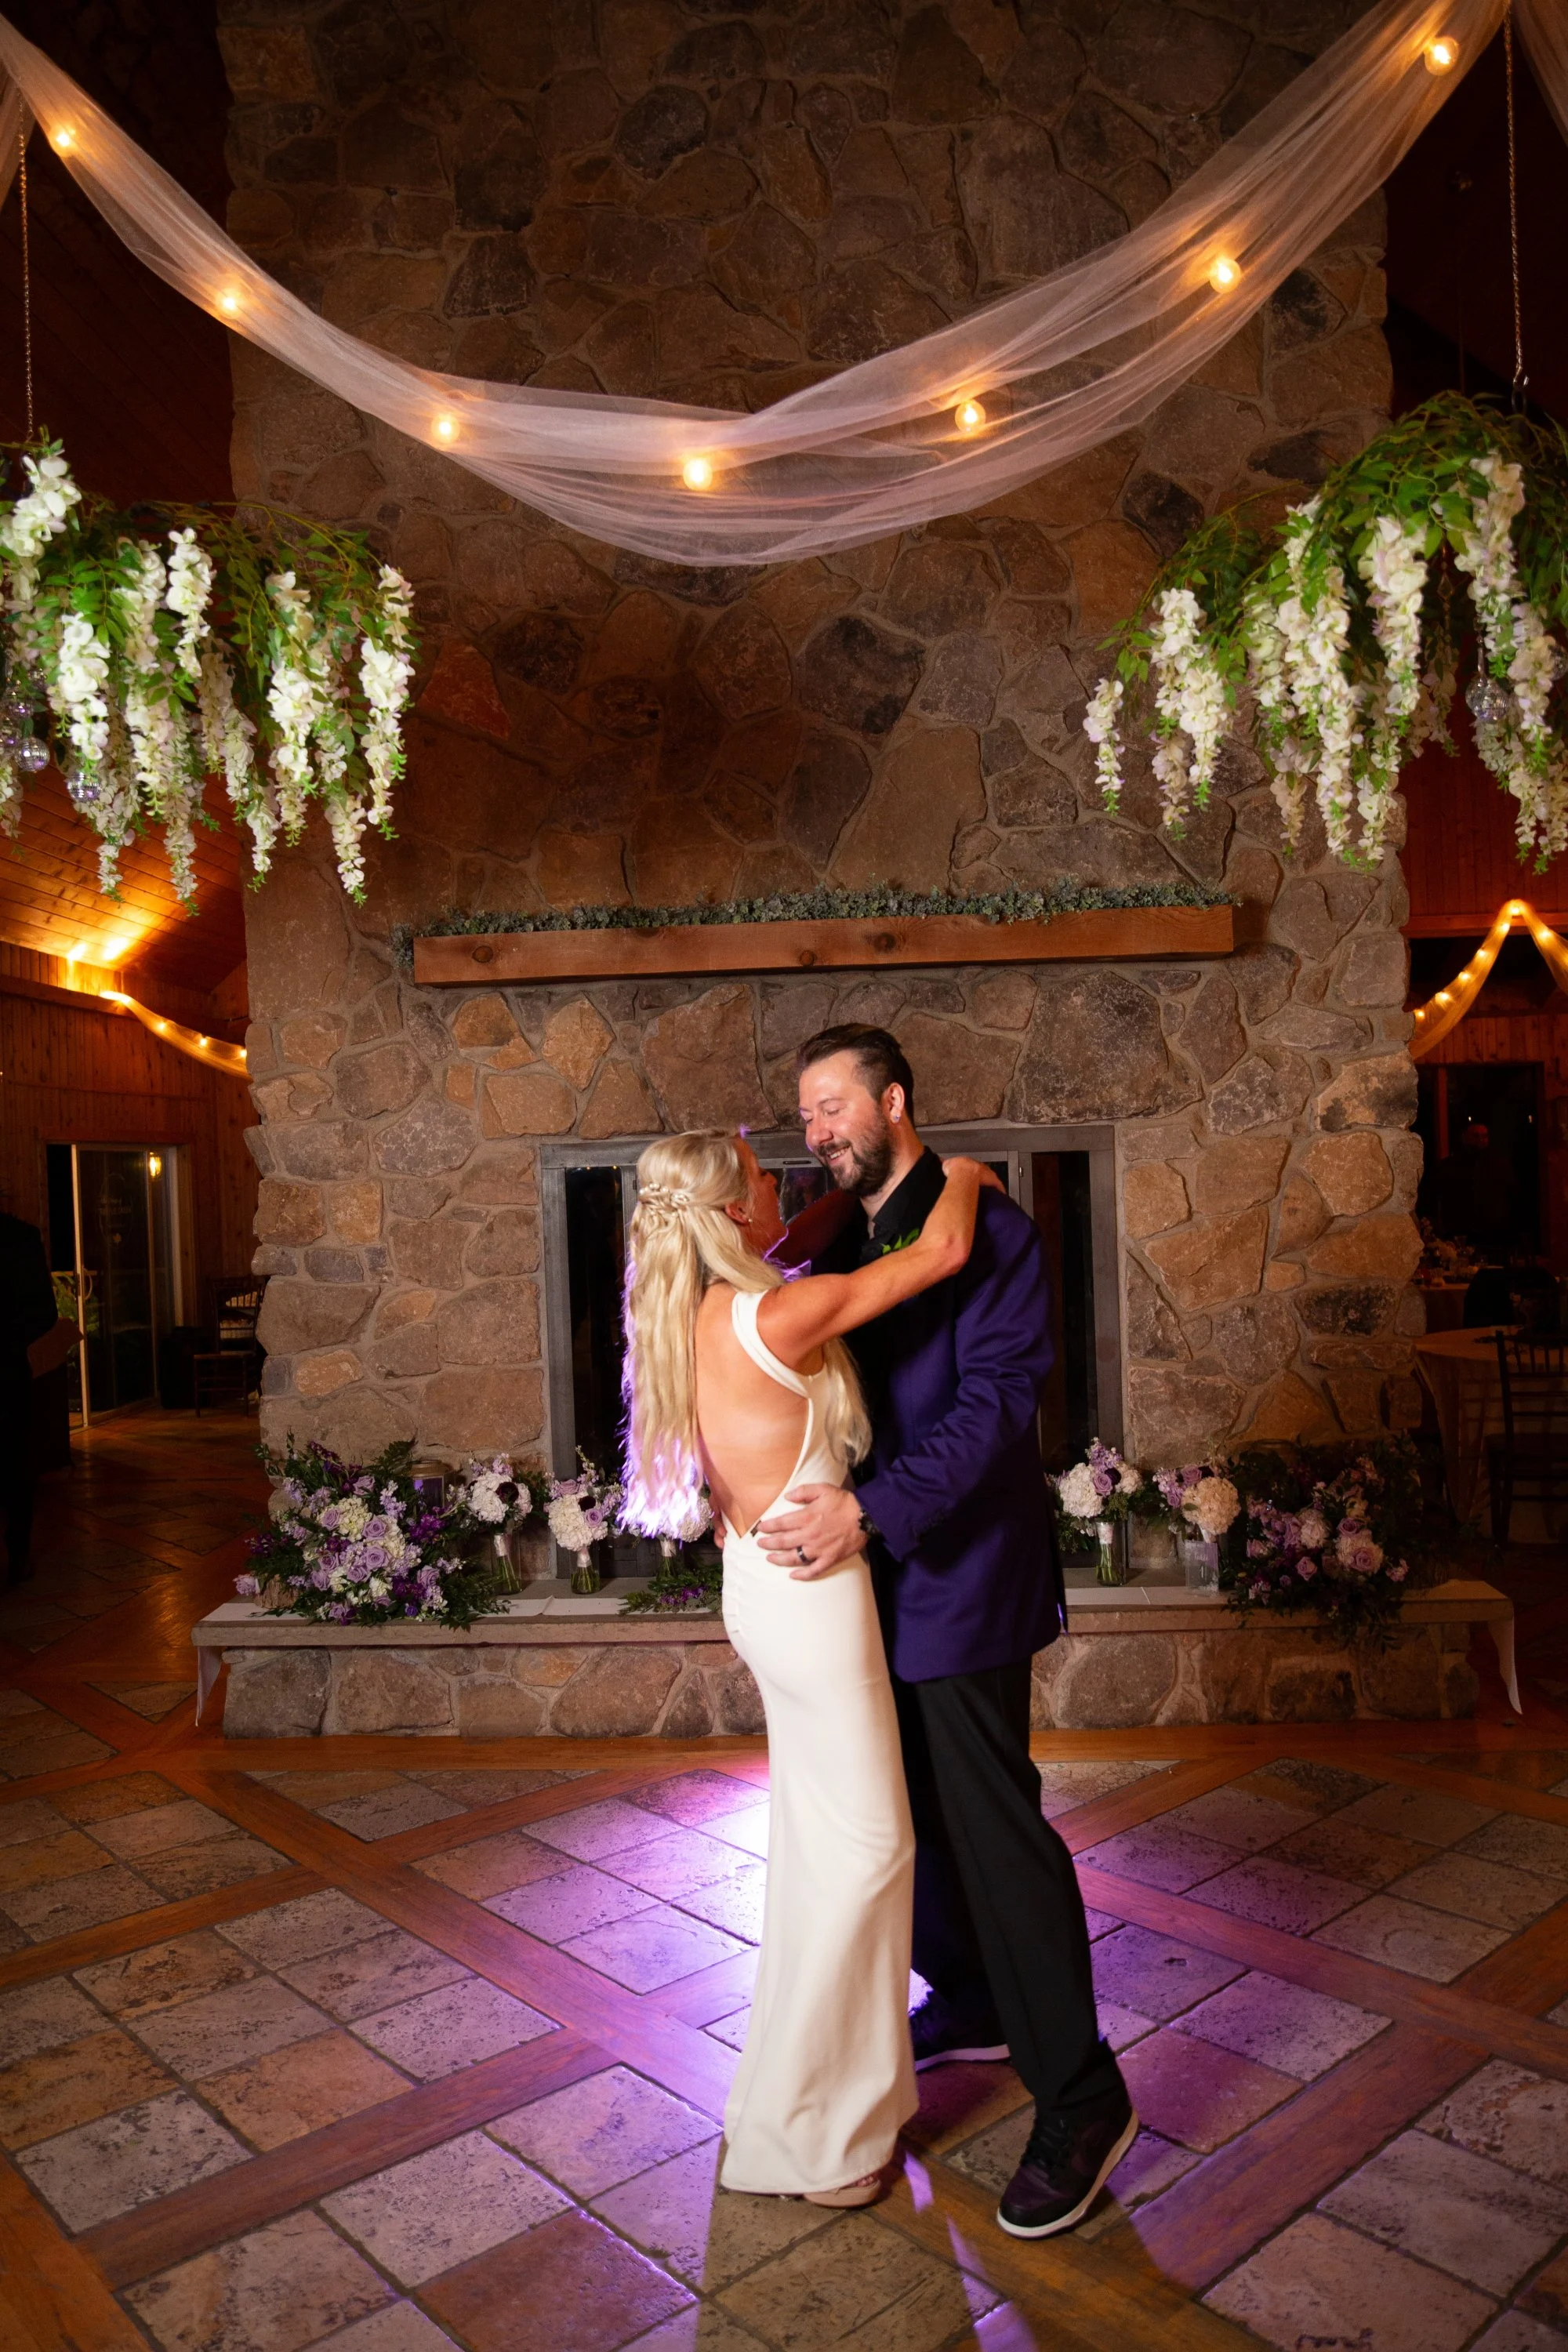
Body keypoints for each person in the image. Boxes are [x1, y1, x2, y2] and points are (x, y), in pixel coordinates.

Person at [757, 1024, 1134, 2241]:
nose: (817, 1132)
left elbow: (995, 1410)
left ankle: (1083, 2094)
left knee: (993, 1830)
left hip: (961, 1578)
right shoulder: (836, 1235)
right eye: (805, 1116)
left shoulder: (995, 1232)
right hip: (860, 1586)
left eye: (834, 1107)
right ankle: (970, 1994)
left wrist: (870, 1512)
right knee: (892, 1819)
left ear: (895, 1102)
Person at [620, 1127, 994, 2206]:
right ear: (737, 1211)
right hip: (812, 1599)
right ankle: (824, 2143)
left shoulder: (693, 1313)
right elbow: (939, 1254)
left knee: (822, 1850)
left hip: (760, 1583)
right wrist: (964, 1174)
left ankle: (789, 2120)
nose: (784, 1190)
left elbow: (791, 1239)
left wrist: (829, 1198)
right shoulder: (778, 1315)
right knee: (869, 1853)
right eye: (764, 1180)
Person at [0, 1207, 57, 1589]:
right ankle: (18, 1554)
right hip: (8, 1369)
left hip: (8, 1369)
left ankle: (18, 1553)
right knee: (16, 1464)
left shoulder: (20, 1236)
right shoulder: (20, 1237)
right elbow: (44, 1314)